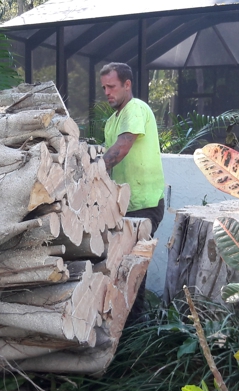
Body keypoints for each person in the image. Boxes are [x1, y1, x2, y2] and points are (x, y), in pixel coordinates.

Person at [100, 62, 165, 320]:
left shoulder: (135, 108)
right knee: (124, 265)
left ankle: (137, 329)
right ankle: (127, 326)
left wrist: (91, 171)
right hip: (125, 204)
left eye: (112, 86)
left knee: (134, 267)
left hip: (146, 204)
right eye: (104, 87)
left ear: (127, 85)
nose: (107, 92)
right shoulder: (111, 121)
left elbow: (122, 148)